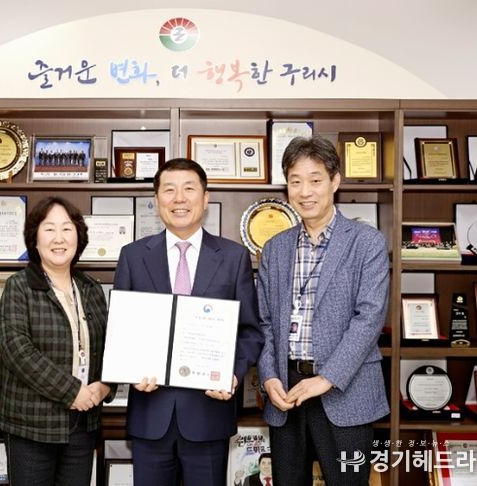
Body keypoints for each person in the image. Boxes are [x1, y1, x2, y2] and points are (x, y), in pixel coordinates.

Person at [113, 158, 264, 486]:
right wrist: (130, 370)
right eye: (169, 190)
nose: (179, 198)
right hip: (150, 414)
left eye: (189, 189)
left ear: (205, 198)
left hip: (209, 414)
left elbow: (250, 332)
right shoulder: (133, 256)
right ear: (157, 200)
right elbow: (121, 330)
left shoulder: (233, 256)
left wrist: (233, 375)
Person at [257, 136, 390, 485]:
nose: (305, 192)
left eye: (315, 180)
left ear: (335, 181)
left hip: (345, 390)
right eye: (295, 181)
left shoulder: (367, 242)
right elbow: (264, 322)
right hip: (286, 391)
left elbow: (369, 319)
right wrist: (269, 377)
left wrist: (326, 378)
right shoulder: (275, 248)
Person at [0, 196, 112, 486]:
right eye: (49, 229)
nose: (59, 238)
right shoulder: (18, 287)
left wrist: (107, 384)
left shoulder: (91, 288)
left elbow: (109, 346)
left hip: (83, 423)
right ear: (34, 240)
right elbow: (19, 352)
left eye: (67, 229)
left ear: (78, 237)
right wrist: (72, 392)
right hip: (31, 424)